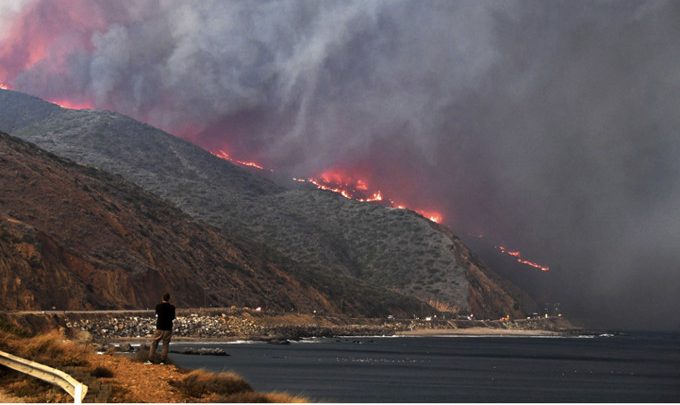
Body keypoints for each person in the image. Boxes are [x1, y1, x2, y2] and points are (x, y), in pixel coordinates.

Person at [148, 293, 175, 363]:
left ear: (162, 298)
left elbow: (156, 315)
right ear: (169, 299)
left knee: (154, 343)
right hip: (168, 328)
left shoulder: (158, 306)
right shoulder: (172, 307)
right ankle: (163, 361)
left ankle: (151, 359)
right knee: (165, 345)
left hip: (159, 327)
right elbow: (173, 317)